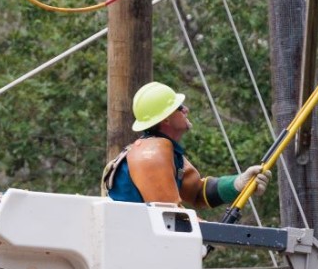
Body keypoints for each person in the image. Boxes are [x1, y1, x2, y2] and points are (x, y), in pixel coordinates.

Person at [104, 81, 271, 208]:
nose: (186, 109)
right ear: (166, 118)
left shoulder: (164, 150)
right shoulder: (152, 153)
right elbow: (170, 216)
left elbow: (197, 192)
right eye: (179, 107)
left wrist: (238, 184)